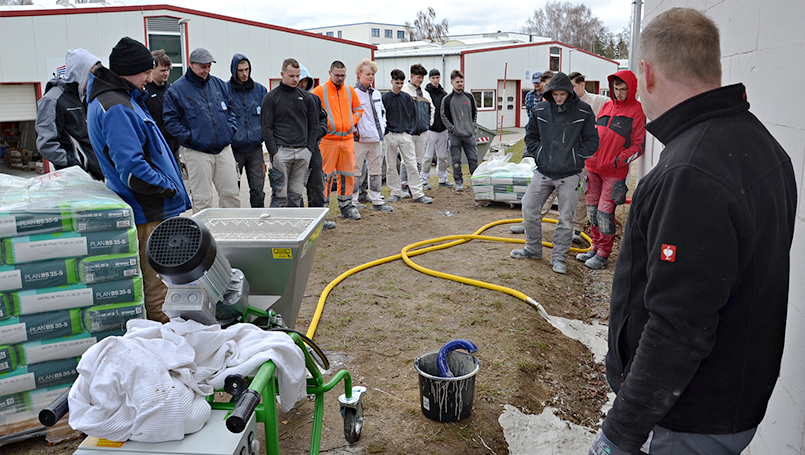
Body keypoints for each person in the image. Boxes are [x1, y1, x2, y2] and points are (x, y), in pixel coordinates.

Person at [588, 8, 796, 455]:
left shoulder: (692, 171)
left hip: (688, 418)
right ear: (713, 66)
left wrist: (617, 436)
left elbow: (677, 329)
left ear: (646, 72)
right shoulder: (763, 145)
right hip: (729, 405)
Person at [86, 37, 191, 323]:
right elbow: (132, 169)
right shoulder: (116, 107)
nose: (149, 77)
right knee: (159, 286)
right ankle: (166, 346)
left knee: (163, 280)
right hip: (149, 210)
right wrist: (169, 187)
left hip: (154, 207)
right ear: (129, 71)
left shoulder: (124, 98)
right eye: (146, 71)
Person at [510, 72, 598, 274]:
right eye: (555, 94)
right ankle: (532, 249)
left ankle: (558, 258)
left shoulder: (583, 111)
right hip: (544, 171)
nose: (558, 98)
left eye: (562, 94)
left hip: (570, 174)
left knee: (566, 217)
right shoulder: (541, 109)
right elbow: (530, 135)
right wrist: (539, 153)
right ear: (550, 93)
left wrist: (576, 157)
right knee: (529, 208)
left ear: (569, 93)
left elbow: (592, 141)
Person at [575, 70, 645, 270]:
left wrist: (616, 161)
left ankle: (603, 254)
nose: (619, 93)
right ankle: (595, 247)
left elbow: (638, 146)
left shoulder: (638, 111)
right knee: (592, 211)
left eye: (623, 89)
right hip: (593, 167)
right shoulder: (606, 105)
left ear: (631, 89)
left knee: (605, 214)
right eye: (616, 89)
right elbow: (595, 134)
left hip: (613, 173)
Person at [163, 48, 240, 213]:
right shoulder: (176, 90)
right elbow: (171, 122)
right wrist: (192, 138)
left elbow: (231, 110)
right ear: (191, 65)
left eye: (209, 66)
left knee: (231, 195)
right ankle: (204, 237)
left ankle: (231, 235)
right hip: (197, 152)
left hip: (223, 149)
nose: (206, 70)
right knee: (202, 199)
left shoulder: (219, 84)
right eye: (202, 67)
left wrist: (230, 129)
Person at [35, 49, 104, 181]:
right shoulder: (53, 99)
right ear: (79, 71)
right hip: (74, 178)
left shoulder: (84, 97)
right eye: (90, 73)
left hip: (96, 176)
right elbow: (46, 144)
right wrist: (72, 165)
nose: (94, 78)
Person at [261, 58, 318, 208]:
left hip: (302, 153)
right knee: (280, 194)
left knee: (296, 194)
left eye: (297, 76)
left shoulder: (307, 98)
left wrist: (309, 150)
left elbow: (314, 125)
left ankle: (295, 228)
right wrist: (274, 152)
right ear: (282, 74)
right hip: (281, 152)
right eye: (291, 76)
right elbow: (266, 127)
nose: (295, 79)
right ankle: (277, 228)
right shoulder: (271, 98)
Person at [311, 61, 364, 220]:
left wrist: (351, 121)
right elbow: (312, 114)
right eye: (337, 75)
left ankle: (346, 207)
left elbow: (359, 109)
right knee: (325, 176)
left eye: (343, 75)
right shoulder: (319, 91)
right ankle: (322, 210)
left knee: (347, 174)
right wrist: (326, 126)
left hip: (347, 140)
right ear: (330, 73)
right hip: (327, 140)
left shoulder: (349, 91)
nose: (341, 78)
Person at [382, 69, 433, 205]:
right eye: (397, 82)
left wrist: (408, 131)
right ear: (391, 81)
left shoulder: (406, 98)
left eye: (401, 83)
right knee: (391, 166)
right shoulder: (385, 98)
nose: (399, 85)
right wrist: (386, 133)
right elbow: (382, 117)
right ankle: (395, 192)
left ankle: (417, 193)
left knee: (412, 164)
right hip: (390, 135)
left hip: (405, 135)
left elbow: (412, 115)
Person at [227, 53, 268, 208]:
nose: (245, 74)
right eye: (240, 70)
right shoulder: (225, 90)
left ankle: (259, 221)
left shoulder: (260, 90)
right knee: (232, 190)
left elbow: (267, 118)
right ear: (234, 71)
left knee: (258, 190)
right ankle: (234, 222)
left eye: (247, 69)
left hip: (255, 149)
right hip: (233, 150)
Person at [352, 59, 392, 212]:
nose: (371, 77)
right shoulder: (353, 93)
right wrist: (356, 131)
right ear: (359, 74)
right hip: (359, 140)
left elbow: (382, 113)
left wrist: (382, 127)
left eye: (373, 74)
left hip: (376, 139)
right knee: (355, 171)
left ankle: (377, 199)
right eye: (368, 74)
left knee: (376, 171)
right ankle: (353, 202)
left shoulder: (376, 94)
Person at [298, 65, 336, 229]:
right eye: (300, 81)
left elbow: (323, 120)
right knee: (295, 187)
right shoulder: (283, 100)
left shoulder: (313, 99)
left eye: (305, 81)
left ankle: (319, 219)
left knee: (316, 185)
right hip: (294, 149)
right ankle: (298, 219)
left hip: (313, 149)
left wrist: (315, 135)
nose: (302, 84)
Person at [440, 70, 478, 193]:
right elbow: (443, 115)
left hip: (469, 135)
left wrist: (473, 127)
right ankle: (459, 182)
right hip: (455, 135)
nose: (460, 84)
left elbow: (474, 112)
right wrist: (452, 129)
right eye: (457, 82)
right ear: (452, 83)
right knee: (456, 160)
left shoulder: (469, 97)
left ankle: (475, 181)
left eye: (462, 81)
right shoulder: (447, 99)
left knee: (473, 158)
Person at [400, 63, 434, 193]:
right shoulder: (404, 91)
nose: (420, 80)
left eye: (422, 78)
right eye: (418, 77)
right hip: (407, 132)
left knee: (419, 159)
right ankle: (404, 185)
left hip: (422, 132)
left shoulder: (425, 93)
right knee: (406, 160)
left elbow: (432, 109)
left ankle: (415, 185)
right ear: (412, 76)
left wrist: (428, 123)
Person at [144, 49, 180, 165]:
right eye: (162, 70)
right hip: (154, 148)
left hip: (173, 147)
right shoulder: (144, 92)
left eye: (168, 70)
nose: (166, 73)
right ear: (152, 70)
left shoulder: (172, 90)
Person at [420, 68, 453, 188]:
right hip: (430, 130)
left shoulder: (444, 94)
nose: (435, 80)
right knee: (428, 157)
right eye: (433, 78)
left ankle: (443, 179)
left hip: (443, 130)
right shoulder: (425, 94)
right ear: (429, 79)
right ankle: (424, 179)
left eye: (437, 77)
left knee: (443, 157)